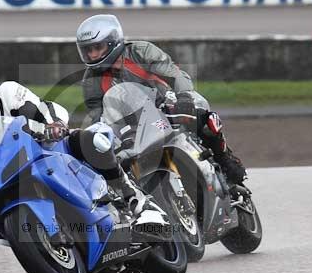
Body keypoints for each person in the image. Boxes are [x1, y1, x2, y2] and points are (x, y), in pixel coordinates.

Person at [0, 60, 167, 234]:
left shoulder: (5, 93)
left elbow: (41, 111)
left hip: (41, 147)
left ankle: (137, 202)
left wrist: (53, 126)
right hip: (4, 174)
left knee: (89, 140)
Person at [75, 14, 248, 188]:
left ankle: (224, 158)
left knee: (200, 108)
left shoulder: (140, 51)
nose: (93, 54)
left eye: (98, 47)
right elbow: (99, 118)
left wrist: (184, 97)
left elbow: (175, 75)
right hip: (133, 127)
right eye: (88, 50)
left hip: (167, 106)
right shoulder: (90, 81)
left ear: (113, 42)